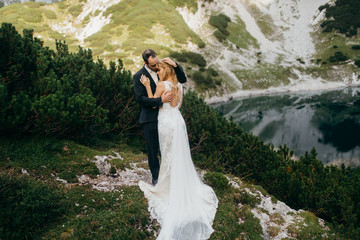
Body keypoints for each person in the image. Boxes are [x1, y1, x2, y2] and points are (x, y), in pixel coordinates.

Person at [138, 60, 218, 240]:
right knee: (178, 154)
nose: (157, 72)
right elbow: (177, 106)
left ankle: (168, 186)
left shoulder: (161, 84)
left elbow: (153, 104)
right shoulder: (177, 86)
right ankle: (179, 182)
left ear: (164, 71)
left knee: (167, 154)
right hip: (177, 121)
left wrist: (146, 86)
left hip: (166, 122)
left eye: (159, 70)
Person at [133, 49, 187, 185]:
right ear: (146, 63)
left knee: (168, 147)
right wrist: (160, 101)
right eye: (153, 65)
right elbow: (140, 99)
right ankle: (156, 177)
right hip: (150, 117)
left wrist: (175, 65)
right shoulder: (138, 76)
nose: (156, 66)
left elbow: (182, 80)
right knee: (152, 149)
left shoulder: (163, 69)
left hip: (166, 118)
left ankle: (171, 175)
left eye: (157, 62)